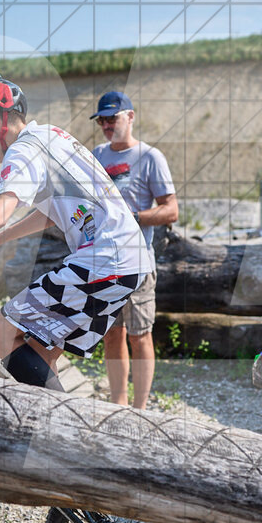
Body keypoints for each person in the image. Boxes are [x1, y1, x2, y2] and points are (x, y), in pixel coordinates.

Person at [0, 74, 152, 391]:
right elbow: (55, 210)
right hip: (127, 260)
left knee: (0, 332)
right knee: (39, 351)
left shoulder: (23, 150)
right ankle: (50, 430)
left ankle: (62, 429)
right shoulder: (51, 136)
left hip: (104, 259)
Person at [90, 91, 178, 409]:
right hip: (104, 263)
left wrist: (134, 217)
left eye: (112, 118)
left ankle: (141, 410)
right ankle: (119, 404)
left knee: (139, 335)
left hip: (139, 263)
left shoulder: (150, 157)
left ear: (130, 116)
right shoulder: (97, 155)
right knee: (111, 335)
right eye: (101, 120)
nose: (106, 124)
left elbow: (171, 210)